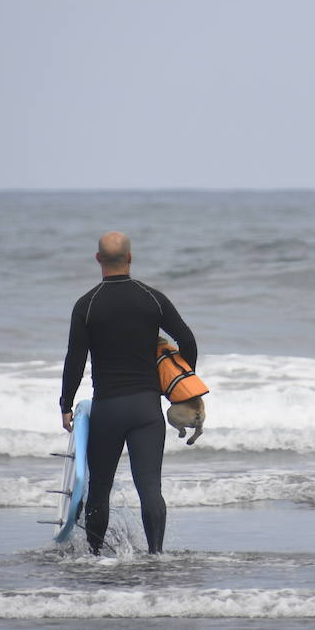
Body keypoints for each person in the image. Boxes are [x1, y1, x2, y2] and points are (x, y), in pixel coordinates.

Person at [59, 231, 199, 555]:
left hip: (107, 409)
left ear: (98, 260)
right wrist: (179, 382)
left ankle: (94, 558)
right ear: (130, 258)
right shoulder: (152, 298)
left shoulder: (87, 305)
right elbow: (188, 339)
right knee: (150, 489)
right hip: (146, 410)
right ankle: (157, 558)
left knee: (99, 491)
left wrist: (66, 404)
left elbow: (75, 358)